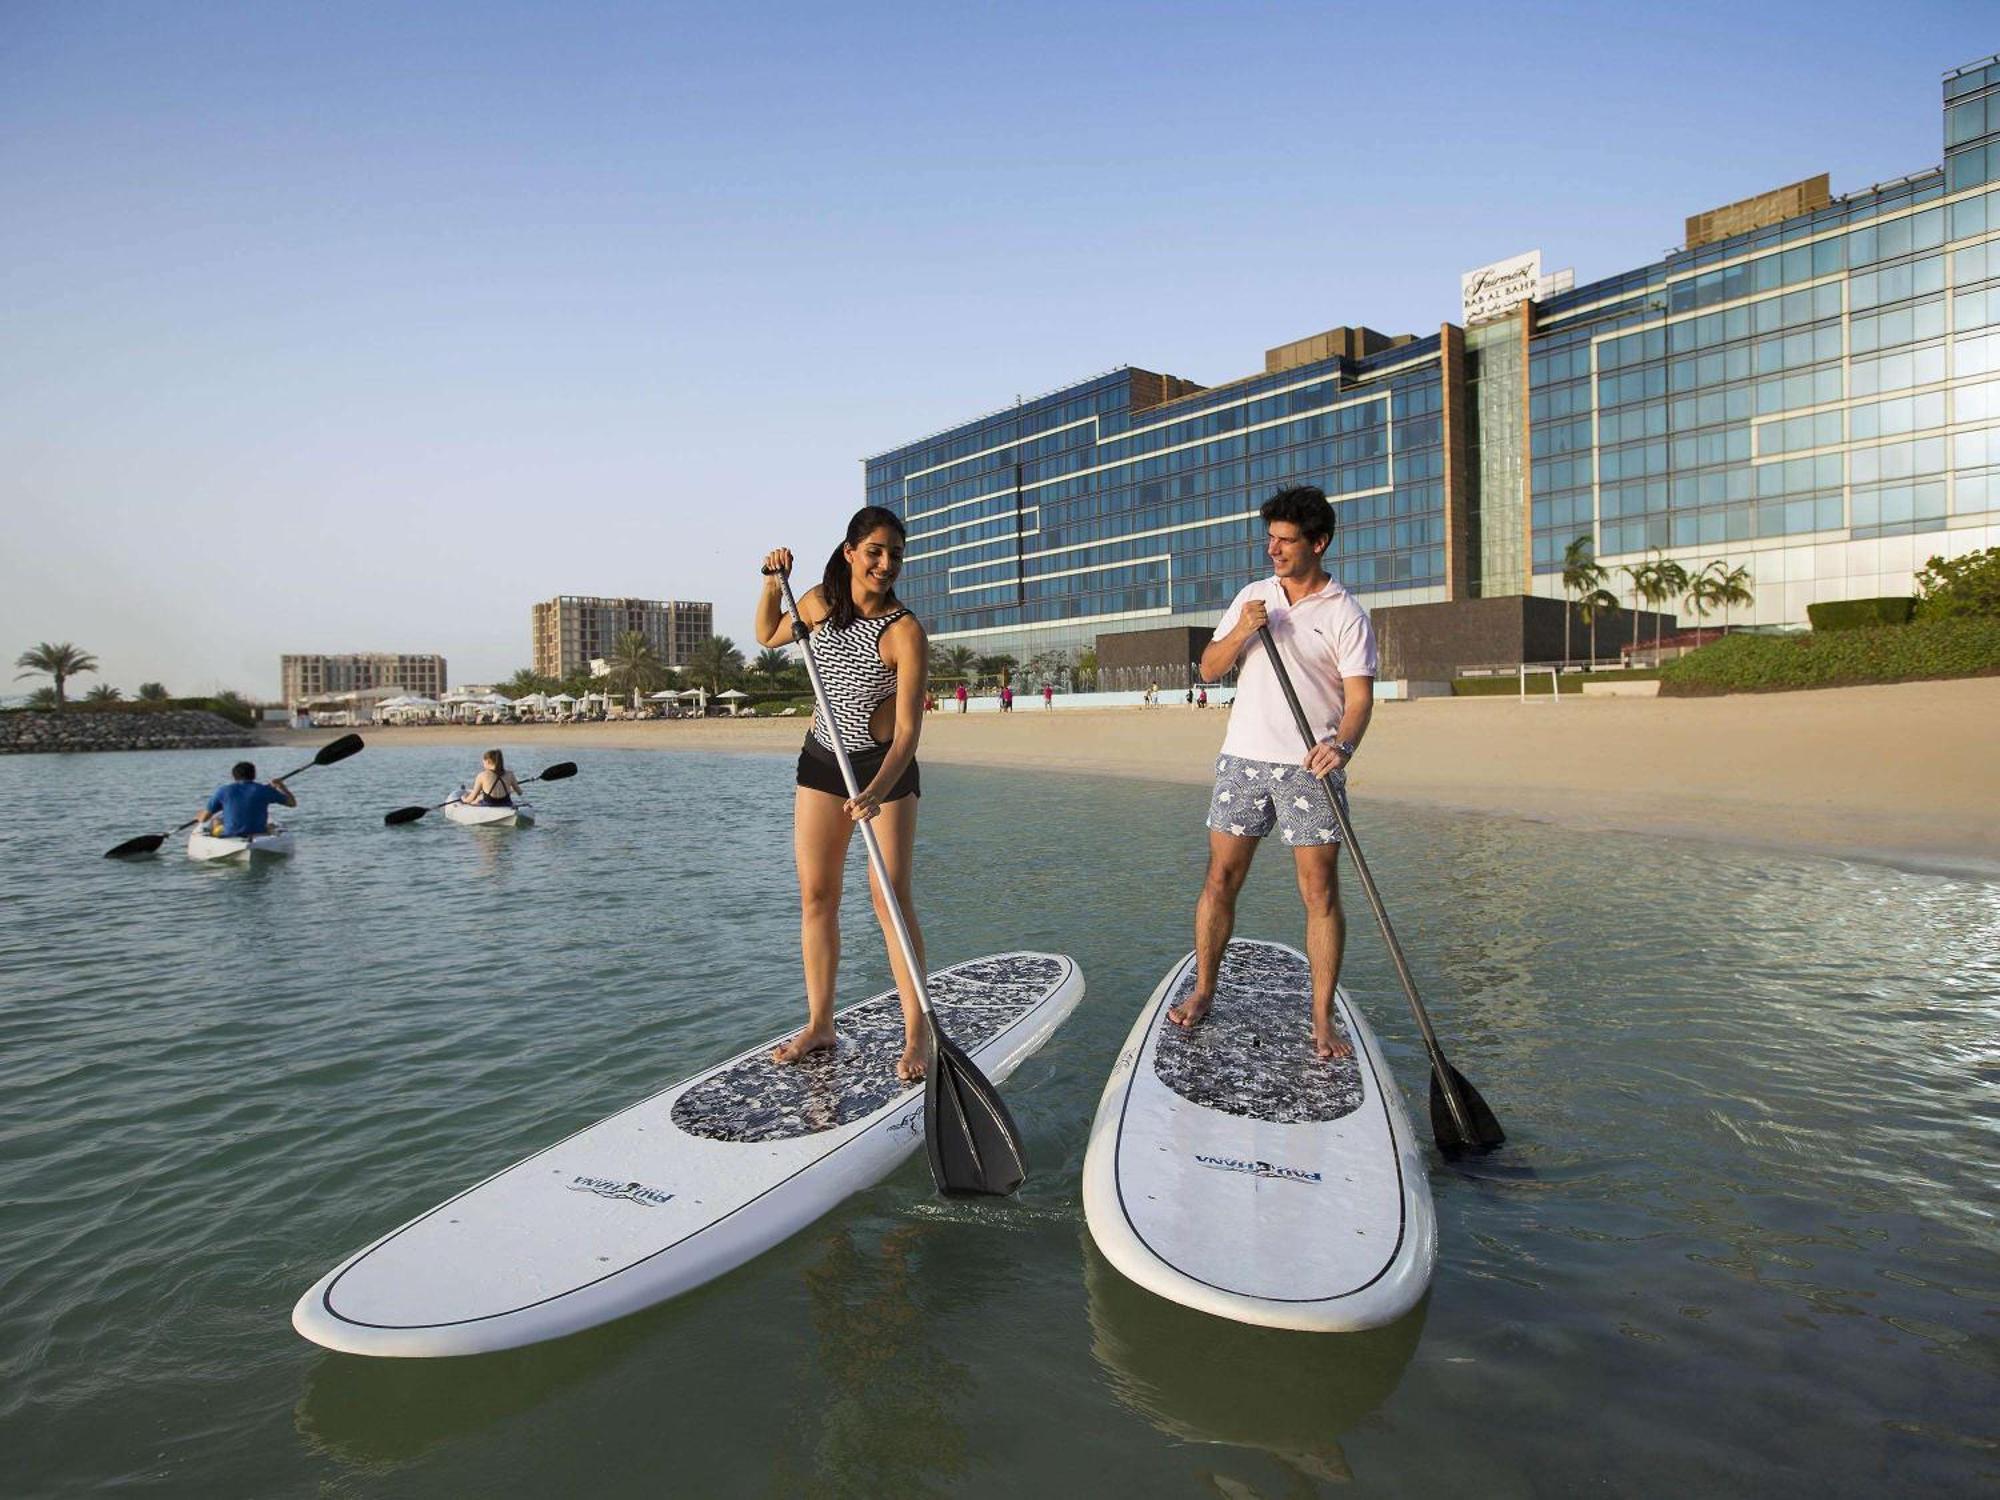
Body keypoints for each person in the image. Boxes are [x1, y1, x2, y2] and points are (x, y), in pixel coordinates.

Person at [1169, 485, 1377, 1061]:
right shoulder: (1253, 596)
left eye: (1286, 541)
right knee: (1220, 880)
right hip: (1244, 761)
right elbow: (1209, 670)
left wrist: (1344, 746)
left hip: (1310, 768)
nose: (1274, 551)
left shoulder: (1345, 614)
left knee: (1319, 894)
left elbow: (1359, 700)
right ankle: (1206, 989)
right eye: (1270, 539)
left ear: (1319, 543)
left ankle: (1321, 1017)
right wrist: (1242, 630)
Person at [756, 507, 932, 1083]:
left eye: (896, 555)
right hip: (822, 763)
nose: (886, 564)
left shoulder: (905, 631)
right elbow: (767, 634)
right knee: (816, 896)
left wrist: (878, 792)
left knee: (889, 901)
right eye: (876, 551)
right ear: (851, 551)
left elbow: (908, 734)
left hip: (884, 771)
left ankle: (917, 1031)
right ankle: (820, 1023)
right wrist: (768, 582)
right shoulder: (815, 603)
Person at [200, 760, 295, 838]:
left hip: (230, 835)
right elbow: (292, 803)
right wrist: (281, 786)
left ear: (234, 776)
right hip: (258, 833)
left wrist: (198, 817)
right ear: (254, 775)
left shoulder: (223, 791)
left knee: (216, 821)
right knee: (271, 826)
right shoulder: (264, 790)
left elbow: (203, 818)